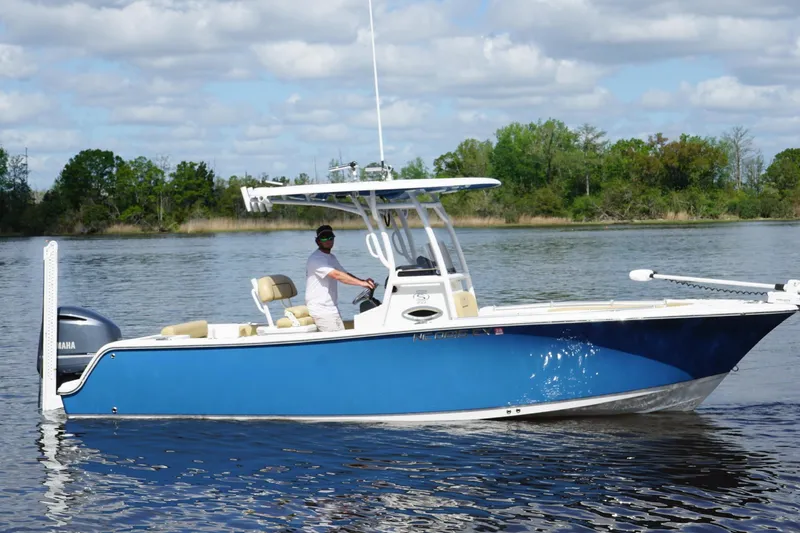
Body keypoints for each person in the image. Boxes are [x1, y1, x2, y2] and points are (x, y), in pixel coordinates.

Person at [305, 225, 375, 332]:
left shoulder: (331, 257)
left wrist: (364, 281)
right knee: (337, 341)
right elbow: (337, 275)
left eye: (330, 237)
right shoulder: (316, 259)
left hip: (331, 308)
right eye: (324, 237)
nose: (328, 240)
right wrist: (361, 283)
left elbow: (344, 274)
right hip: (321, 309)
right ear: (318, 241)